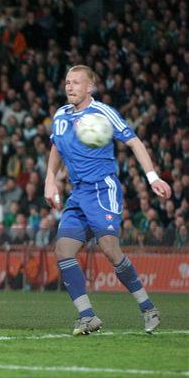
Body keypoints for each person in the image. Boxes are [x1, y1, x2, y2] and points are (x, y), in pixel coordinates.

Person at [44, 65, 172, 335]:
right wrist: (49, 179)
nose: (69, 87)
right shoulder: (61, 115)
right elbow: (56, 146)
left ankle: (148, 308)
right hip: (77, 193)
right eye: (67, 82)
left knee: (110, 249)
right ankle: (87, 316)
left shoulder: (102, 113)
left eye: (76, 83)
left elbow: (134, 142)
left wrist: (152, 178)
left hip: (103, 189)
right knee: (63, 251)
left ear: (89, 87)